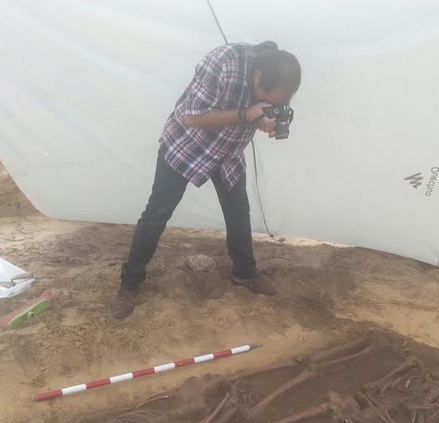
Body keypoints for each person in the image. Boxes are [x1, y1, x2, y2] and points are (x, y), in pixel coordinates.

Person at [111, 42, 301, 319]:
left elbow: (263, 110)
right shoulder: (223, 63)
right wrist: (247, 115)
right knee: (156, 214)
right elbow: (193, 117)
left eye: (278, 103)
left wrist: (268, 121)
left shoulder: (275, 77)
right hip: (188, 146)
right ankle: (129, 283)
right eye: (267, 99)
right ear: (258, 75)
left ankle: (245, 274)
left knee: (239, 213)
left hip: (227, 152)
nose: (270, 104)